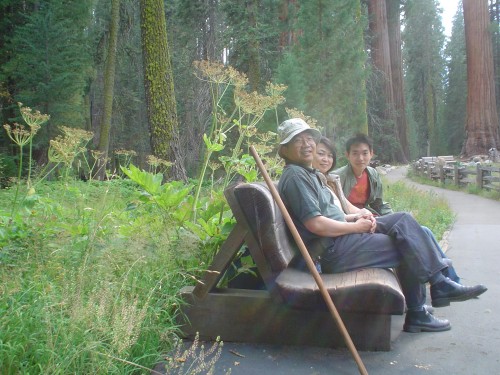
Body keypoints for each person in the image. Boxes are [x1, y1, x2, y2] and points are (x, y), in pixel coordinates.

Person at [277, 118, 487, 333]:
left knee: (404, 221)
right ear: (284, 149)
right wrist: (355, 227)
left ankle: (438, 285)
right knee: (408, 244)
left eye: (309, 138)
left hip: (340, 239)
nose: (307, 144)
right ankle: (422, 308)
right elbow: (316, 224)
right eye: (298, 140)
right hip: (331, 251)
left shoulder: (308, 174)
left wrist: (355, 219)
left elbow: (331, 214)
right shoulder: (295, 176)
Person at [334, 133, 460, 283]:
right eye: (355, 153)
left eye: (364, 153)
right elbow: (335, 209)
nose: (360, 158)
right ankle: (444, 282)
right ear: (347, 155)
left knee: (423, 230)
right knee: (411, 238)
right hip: (355, 224)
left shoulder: (372, 174)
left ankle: (451, 280)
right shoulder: (337, 177)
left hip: (374, 219)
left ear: (372, 154)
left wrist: (394, 218)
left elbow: (378, 204)